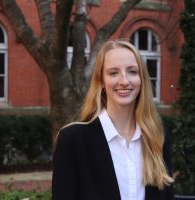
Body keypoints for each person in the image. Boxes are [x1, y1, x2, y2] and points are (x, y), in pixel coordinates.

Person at [52, 40, 174, 200]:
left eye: (132, 71)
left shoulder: (157, 136)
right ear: (101, 81)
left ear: (141, 79)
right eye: (113, 73)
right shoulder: (73, 139)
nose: (124, 80)